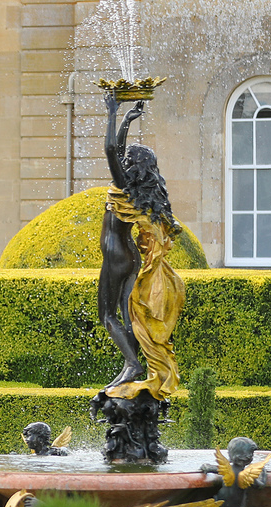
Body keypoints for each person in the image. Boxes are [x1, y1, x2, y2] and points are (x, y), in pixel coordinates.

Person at [98, 93, 184, 401]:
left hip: (115, 258)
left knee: (107, 315)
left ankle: (132, 363)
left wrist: (112, 112)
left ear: (131, 166)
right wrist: (126, 120)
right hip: (131, 258)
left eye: (128, 158)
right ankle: (132, 366)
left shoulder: (123, 185)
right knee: (130, 317)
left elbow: (111, 150)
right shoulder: (136, 190)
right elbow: (118, 150)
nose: (123, 159)